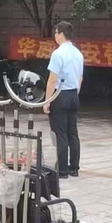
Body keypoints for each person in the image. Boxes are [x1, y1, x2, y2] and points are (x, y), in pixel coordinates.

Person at [44, 21, 84, 178]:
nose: (54, 36)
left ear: (61, 34)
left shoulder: (58, 54)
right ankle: (74, 167)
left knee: (60, 133)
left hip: (60, 95)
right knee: (72, 132)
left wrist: (47, 101)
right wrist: (75, 94)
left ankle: (62, 170)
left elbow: (52, 79)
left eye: (55, 33)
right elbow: (80, 78)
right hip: (74, 94)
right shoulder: (78, 54)